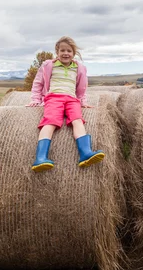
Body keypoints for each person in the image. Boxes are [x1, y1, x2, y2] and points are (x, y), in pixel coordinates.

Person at [26, 36, 105, 172]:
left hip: (72, 99)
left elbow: (82, 87)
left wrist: (83, 102)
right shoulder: (49, 65)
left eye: (69, 51)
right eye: (62, 50)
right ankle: (40, 158)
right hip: (53, 98)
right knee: (50, 122)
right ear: (57, 51)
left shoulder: (79, 68)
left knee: (77, 121)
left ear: (74, 53)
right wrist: (35, 100)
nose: (65, 53)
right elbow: (38, 83)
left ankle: (85, 153)